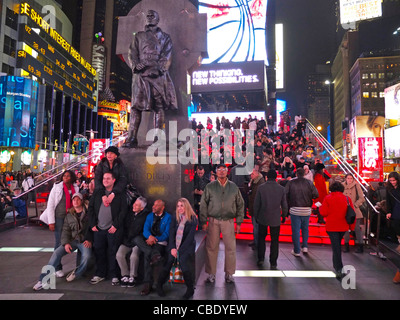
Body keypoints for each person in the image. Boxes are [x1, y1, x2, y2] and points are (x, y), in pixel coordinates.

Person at [123, 10, 177, 148]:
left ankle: (158, 140)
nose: (150, 17)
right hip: (140, 74)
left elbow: (167, 54)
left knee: (159, 107)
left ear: (158, 19)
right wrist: (136, 65)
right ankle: (131, 138)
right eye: (148, 16)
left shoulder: (165, 37)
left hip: (157, 75)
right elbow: (132, 52)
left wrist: (159, 68)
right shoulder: (139, 36)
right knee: (135, 107)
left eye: (153, 15)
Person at [33, 193, 93, 290]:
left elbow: (92, 228)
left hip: (84, 241)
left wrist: (90, 240)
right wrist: (65, 243)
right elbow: (65, 231)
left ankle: (76, 273)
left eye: (78, 199)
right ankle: (42, 280)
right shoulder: (69, 215)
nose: (76, 201)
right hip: (72, 240)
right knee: (56, 253)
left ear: (82, 201)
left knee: (87, 257)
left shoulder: (89, 213)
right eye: (74, 200)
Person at [200, 163, 245, 283]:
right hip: (213, 221)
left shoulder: (233, 187)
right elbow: (203, 204)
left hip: (228, 221)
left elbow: (240, 204)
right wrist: (203, 220)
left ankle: (229, 273)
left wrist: (239, 222)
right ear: (215, 172)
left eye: (223, 169)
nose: (221, 171)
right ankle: (211, 273)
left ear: (227, 171)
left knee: (230, 248)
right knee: (211, 247)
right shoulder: (210, 187)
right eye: (219, 169)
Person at [88, 172, 127, 286]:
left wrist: (116, 225)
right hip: (98, 229)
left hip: (112, 229)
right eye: (104, 178)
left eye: (108, 178)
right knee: (99, 252)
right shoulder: (98, 193)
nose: (105, 180)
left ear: (113, 180)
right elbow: (90, 208)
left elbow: (123, 211)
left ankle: (114, 275)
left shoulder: (119, 194)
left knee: (113, 252)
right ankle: (100, 274)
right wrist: (92, 224)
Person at [40, 170, 79, 277]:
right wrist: (51, 222)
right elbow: (51, 204)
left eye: (68, 176)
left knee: (71, 240)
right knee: (58, 242)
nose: (66, 178)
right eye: (64, 176)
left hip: (70, 218)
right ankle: (57, 267)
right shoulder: (57, 187)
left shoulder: (75, 188)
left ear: (72, 178)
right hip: (59, 218)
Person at [156, 198, 198, 299]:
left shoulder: (193, 218)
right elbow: (171, 234)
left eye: (182, 206)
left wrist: (179, 251)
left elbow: (189, 238)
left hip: (186, 246)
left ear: (186, 206)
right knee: (169, 259)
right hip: (174, 245)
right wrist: (172, 248)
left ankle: (190, 289)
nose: (179, 208)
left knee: (183, 261)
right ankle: (159, 285)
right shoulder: (175, 217)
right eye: (178, 206)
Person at [134, 199, 171, 295]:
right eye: (153, 204)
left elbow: (167, 234)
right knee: (137, 239)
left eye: (157, 205)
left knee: (147, 256)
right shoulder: (150, 216)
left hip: (160, 242)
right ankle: (154, 254)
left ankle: (148, 285)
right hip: (149, 241)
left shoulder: (168, 217)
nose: (153, 207)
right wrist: (149, 237)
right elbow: (145, 229)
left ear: (162, 207)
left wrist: (155, 239)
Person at [319, 182, 355, 279]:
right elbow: (352, 214)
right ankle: (337, 266)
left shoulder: (328, 198)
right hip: (343, 226)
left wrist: (320, 208)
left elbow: (324, 212)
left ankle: (339, 269)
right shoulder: (347, 199)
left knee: (336, 247)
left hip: (331, 227)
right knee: (337, 246)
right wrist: (351, 227)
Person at [254, 169, 287, 269]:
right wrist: (284, 215)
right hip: (275, 218)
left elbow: (256, 204)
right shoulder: (281, 189)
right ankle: (273, 262)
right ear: (276, 177)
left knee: (261, 239)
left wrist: (256, 215)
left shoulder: (261, 188)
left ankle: (260, 259)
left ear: (266, 177)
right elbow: (284, 204)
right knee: (274, 241)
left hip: (263, 217)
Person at [116, 196, 149, 287]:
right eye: (134, 203)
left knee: (134, 256)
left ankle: (133, 276)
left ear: (142, 208)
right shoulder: (129, 213)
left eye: (137, 205)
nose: (134, 206)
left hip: (137, 241)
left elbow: (143, 230)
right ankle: (125, 275)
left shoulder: (146, 216)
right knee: (119, 254)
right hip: (127, 240)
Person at [285, 168, 319, 256]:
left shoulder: (291, 182)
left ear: (296, 174)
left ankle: (296, 250)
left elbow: (285, 193)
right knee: (305, 229)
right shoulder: (309, 183)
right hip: (306, 209)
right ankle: (305, 247)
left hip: (295, 209)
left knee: (295, 230)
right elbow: (316, 194)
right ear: (304, 174)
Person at [342, 173, 365, 253]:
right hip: (344, 210)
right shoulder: (342, 186)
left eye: (351, 178)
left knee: (357, 228)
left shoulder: (356, 185)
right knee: (345, 228)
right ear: (345, 179)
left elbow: (362, 198)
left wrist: (355, 205)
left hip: (354, 209)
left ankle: (360, 246)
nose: (349, 180)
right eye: (348, 178)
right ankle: (346, 246)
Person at [386, 172, 400, 283]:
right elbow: (389, 202)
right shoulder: (389, 190)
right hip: (395, 212)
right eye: (391, 181)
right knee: (396, 226)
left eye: (394, 180)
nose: (392, 182)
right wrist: (389, 211)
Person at [247, 167, 265, 250]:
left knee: (256, 227)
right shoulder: (254, 182)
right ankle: (255, 241)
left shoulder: (260, 183)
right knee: (255, 227)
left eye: (252, 174)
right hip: (254, 207)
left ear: (257, 174)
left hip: (257, 209)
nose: (251, 176)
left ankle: (257, 243)